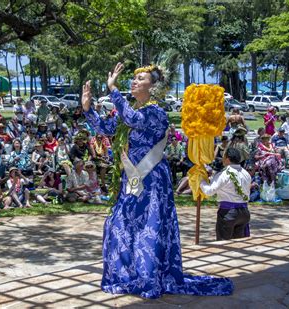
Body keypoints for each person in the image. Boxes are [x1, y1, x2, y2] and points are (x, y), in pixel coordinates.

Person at [82, 63, 232, 298]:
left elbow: (133, 119)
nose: (134, 82)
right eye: (133, 79)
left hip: (151, 179)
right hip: (130, 179)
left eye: (140, 79)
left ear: (152, 87)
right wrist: (88, 108)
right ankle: (127, 274)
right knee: (118, 226)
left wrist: (113, 90)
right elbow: (105, 127)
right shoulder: (127, 110)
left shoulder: (156, 113)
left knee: (148, 228)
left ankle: (148, 276)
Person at [200, 148, 251, 241]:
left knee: (223, 245)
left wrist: (201, 181)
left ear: (227, 159)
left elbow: (209, 191)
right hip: (244, 212)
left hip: (229, 212)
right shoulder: (246, 173)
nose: (222, 159)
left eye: (223, 157)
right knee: (239, 245)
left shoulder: (224, 174)